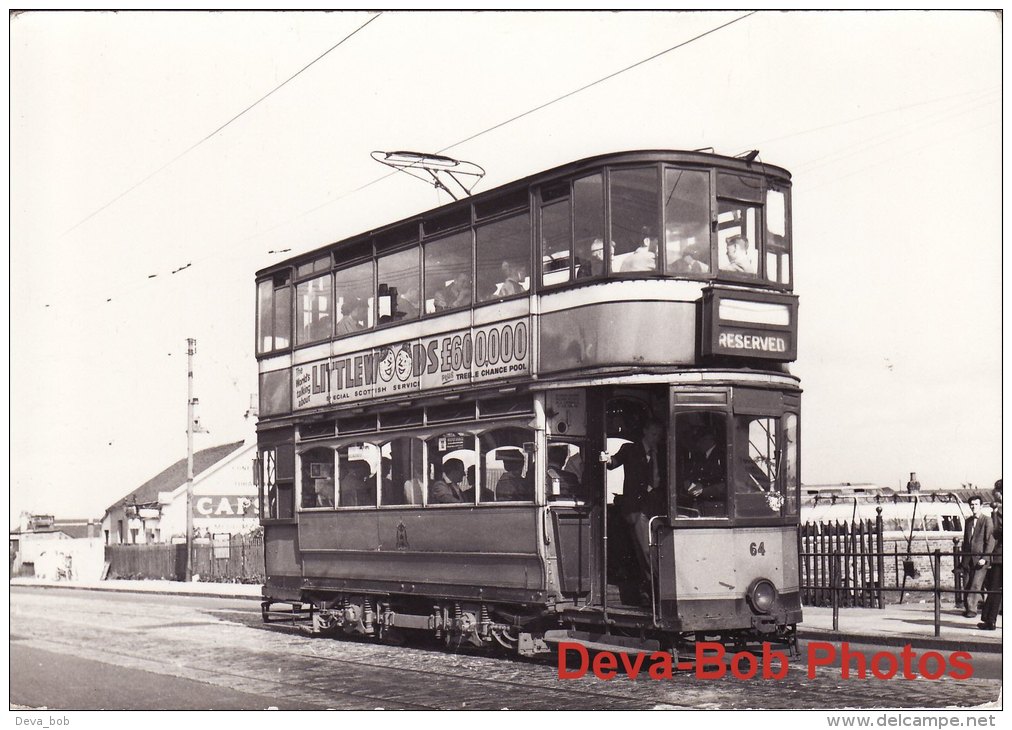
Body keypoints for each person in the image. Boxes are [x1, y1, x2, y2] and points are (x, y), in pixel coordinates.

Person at [601, 419, 666, 601]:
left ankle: (654, 588)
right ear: (645, 431)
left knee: (658, 549)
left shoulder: (660, 453)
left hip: (655, 509)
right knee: (645, 551)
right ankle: (655, 591)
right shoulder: (630, 449)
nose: (656, 439)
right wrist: (606, 458)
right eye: (653, 434)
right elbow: (614, 462)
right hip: (636, 510)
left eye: (658, 436)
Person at [961, 494, 996, 618]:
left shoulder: (987, 520)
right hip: (968, 558)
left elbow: (990, 541)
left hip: (981, 558)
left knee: (976, 583)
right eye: (971, 504)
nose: (973, 507)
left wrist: (985, 558)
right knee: (966, 582)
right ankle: (972, 605)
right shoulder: (968, 521)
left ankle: (972, 610)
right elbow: (966, 541)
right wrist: (962, 559)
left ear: (981, 506)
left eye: (976, 504)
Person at [979, 480, 1003, 630]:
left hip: (1001, 555)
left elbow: (997, 532)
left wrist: (994, 514)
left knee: (994, 587)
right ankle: (989, 619)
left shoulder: (999, 510)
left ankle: (990, 620)